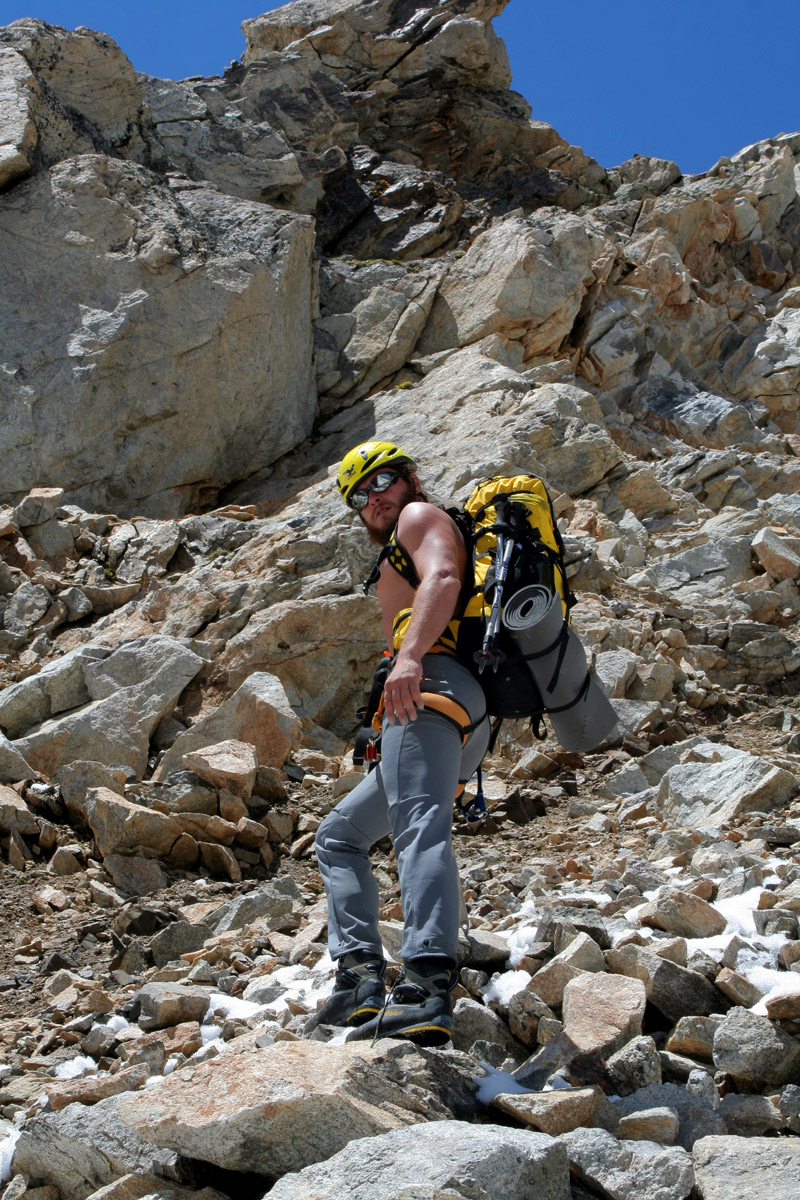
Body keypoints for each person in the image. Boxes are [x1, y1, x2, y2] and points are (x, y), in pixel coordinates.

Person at [312, 440, 490, 1045]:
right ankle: (360, 978)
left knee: (418, 826)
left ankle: (425, 983)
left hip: (432, 688)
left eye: (382, 480)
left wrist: (409, 657)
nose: (374, 498)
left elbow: (443, 574)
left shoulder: (420, 516)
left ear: (411, 478)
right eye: (359, 496)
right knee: (338, 838)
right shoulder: (393, 544)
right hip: (444, 708)